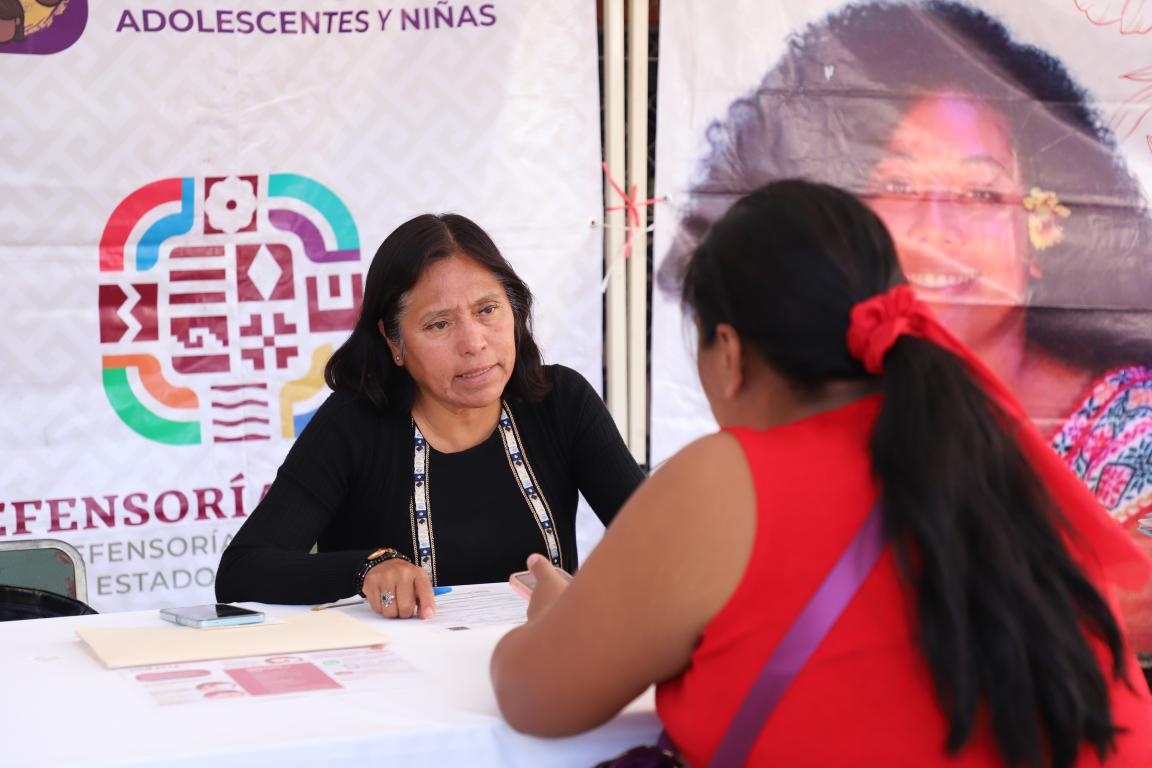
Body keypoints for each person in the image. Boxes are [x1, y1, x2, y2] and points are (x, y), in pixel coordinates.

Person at [491, 180, 1152, 765]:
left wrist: (553, 616)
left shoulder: (727, 481)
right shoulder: (993, 457)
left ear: (729, 352)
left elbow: (534, 698)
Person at [659, 0, 1152, 661]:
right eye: (897, 184)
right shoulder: (814, 417)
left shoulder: (1135, 430)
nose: (938, 229)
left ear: (1041, 236)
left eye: (980, 194)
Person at [215, 213, 644, 618]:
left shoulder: (560, 401)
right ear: (394, 341)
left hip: (540, 671)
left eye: (487, 310)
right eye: (439, 324)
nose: (474, 342)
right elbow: (242, 572)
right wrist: (366, 569)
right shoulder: (354, 423)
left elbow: (657, 540)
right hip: (396, 683)